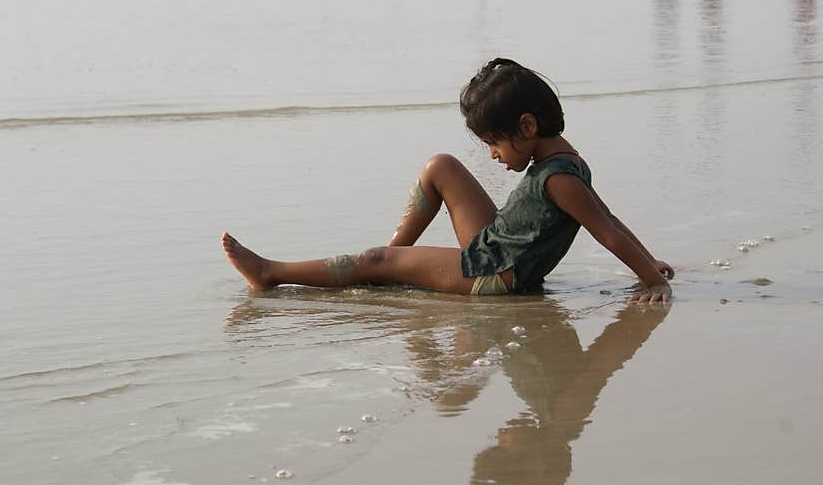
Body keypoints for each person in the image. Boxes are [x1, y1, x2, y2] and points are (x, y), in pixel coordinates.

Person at [221, 58, 674, 303]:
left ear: (527, 127)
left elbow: (606, 230)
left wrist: (651, 279)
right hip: (495, 245)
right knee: (441, 166)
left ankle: (271, 273)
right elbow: (607, 216)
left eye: (494, 143)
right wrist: (650, 263)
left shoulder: (561, 181)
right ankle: (389, 266)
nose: (494, 156)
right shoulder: (569, 162)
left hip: (492, 274)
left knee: (377, 258)